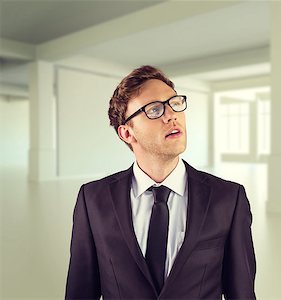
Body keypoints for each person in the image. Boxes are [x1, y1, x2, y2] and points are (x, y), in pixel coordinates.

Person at [65, 65, 256, 299]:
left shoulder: (228, 198)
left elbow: (242, 293)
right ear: (126, 133)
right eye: (154, 109)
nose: (171, 115)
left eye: (174, 103)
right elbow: (80, 291)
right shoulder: (92, 199)